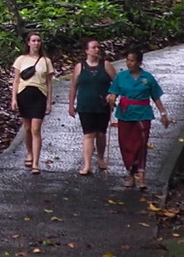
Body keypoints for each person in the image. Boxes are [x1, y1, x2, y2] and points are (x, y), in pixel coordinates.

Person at [106, 48, 171, 189]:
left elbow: (156, 97)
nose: (129, 63)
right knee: (126, 146)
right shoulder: (121, 77)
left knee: (141, 146)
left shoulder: (147, 78)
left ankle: (141, 178)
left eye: (132, 60)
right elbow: (113, 93)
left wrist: (163, 114)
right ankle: (130, 175)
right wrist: (111, 98)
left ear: (139, 62)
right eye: (127, 60)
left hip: (143, 115)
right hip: (125, 115)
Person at [67, 38, 117, 175]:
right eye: (94, 47)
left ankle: (100, 158)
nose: (97, 50)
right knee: (88, 134)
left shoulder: (106, 65)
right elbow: (73, 87)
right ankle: (87, 165)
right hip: (85, 105)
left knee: (101, 133)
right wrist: (71, 105)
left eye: (98, 47)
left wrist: (113, 95)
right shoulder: (80, 67)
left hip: (102, 104)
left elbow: (117, 83)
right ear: (87, 51)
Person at [11, 32, 54, 174]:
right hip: (24, 95)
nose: (36, 43)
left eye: (39, 41)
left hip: (39, 95)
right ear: (28, 43)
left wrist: (49, 102)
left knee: (36, 129)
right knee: (27, 128)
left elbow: (49, 82)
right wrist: (14, 99)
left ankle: (36, 162)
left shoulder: (46, 61)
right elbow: (16, 80)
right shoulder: (21, 59)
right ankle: (29, 153)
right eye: (34, 41)